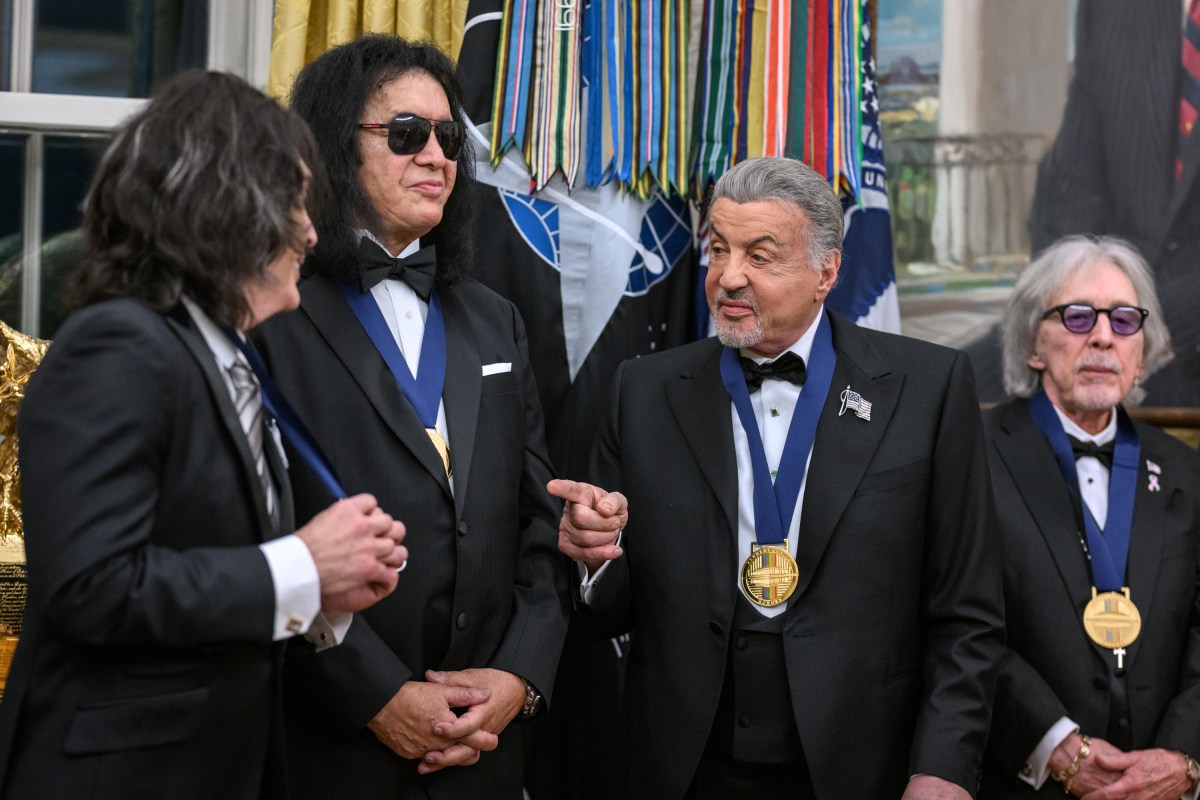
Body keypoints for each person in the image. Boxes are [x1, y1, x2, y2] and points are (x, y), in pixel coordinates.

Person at [0, 70, 408, 800]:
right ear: (230, 204)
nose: (313, 231)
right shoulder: (116, 345)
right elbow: (93, 588)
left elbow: (211, 556)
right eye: (294, 202)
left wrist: (324, 594)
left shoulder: (230, 357)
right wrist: (302, 566)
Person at [551, 156, 1005, 800]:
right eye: (719, 250)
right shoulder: (642, 391)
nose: (729, 277)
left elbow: (968, 613)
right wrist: (592, 557)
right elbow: (608, 611)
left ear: (827, 272)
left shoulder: (929, 388)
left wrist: (943, 770)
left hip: (866, 766)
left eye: (761, 257)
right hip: (684, 767)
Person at [253, 35, 569, 799]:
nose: (437, 156)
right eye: (406, 134)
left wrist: (517, 677)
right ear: (335, 145)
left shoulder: (496, 319)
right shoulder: (268, 314)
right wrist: (375, 698)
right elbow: (254, 540)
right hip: (328, 751)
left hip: (485, 755)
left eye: (450, 136)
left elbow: (538, 524)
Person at [979, 235, 1200, 799]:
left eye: (1125, 321)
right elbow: (958, 626)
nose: (1103, 335)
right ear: (1033, 344)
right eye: (1078, 317)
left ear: (1142, 351)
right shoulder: (972, 457)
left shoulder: (1185, 470)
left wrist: (1182, 756)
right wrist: (1053, 742)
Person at [1025, 0, 1200, 406]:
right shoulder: (1111, 9)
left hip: (1169, 333)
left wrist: (1142, 326)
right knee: (951, 391)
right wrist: (1084, 314)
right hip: (1106, 331)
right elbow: (1069, 192)